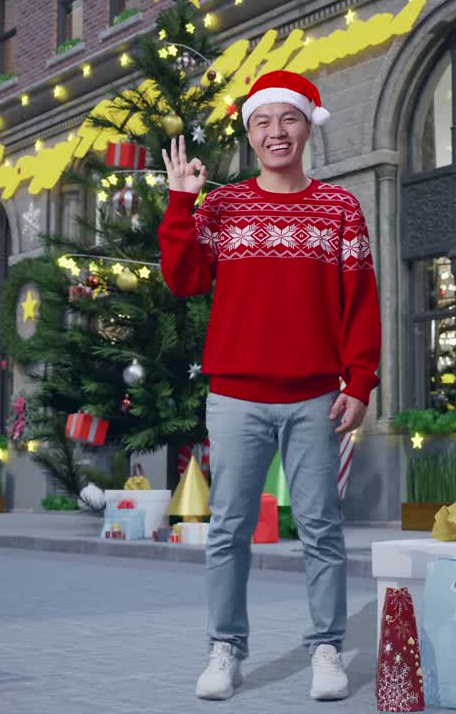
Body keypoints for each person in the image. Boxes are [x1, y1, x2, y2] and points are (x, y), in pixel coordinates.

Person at [157, 69, 381, 702]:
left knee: (322, 527)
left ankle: (328, 649)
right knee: (227, 529)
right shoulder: (224, 206)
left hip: (316, 395)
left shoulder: (340, 208)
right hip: (235, 396)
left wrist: (360, 381)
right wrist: (181, 203)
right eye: (263, 122)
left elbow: (360, 301)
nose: (275, 132)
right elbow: (183, 280)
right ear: (250, 134)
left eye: (287, 119)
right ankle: (224, 649)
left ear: (308, 126)